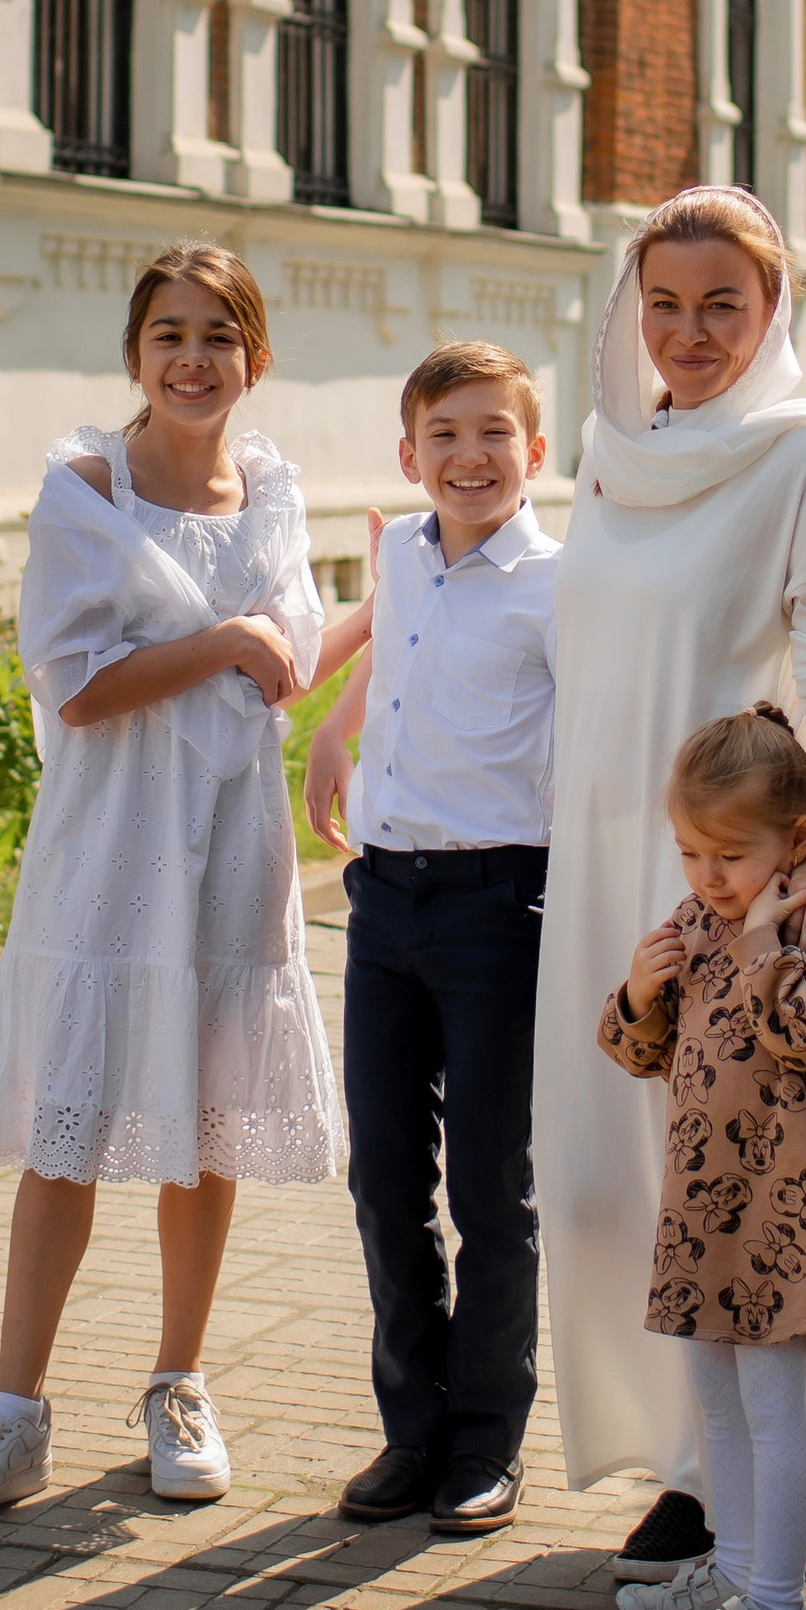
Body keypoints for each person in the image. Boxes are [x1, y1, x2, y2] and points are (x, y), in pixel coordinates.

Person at [0, 245, 365, 1534]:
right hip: (109, 843)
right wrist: (221, 643)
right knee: (70, 1125)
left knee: (205, 1122)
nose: (192, 358)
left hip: (229, 841)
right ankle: (13, 1414)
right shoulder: (85, 490)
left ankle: (178, 1385)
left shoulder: (273, 494)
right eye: (169, 333)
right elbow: (78, 686)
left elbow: (289, 668)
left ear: (254, 360)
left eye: (218, 335)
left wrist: (368, 618)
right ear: (135, 354)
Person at [535, 186, 806, 1567]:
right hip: (592, 855)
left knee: (717, 1185)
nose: (689, 332)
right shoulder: (609, 449)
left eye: (721, 306)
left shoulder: (804, 454)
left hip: (720, 876)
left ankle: (715, 1484)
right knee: (593, 1180)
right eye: (665, 304)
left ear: (773, 311)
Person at [300, 342, 557, 1538]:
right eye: (444, 436)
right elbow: (396, 640)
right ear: (409, 456)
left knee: (491, 1186)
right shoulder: (402, 551)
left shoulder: (558, 586)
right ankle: (411, 1428)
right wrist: (333, 728)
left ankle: (486, 1439)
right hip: (383, 903)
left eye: (494, 432)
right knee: (385, 1175)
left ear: (533, 451)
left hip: (500, 905)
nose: (470, 456)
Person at [598, 709, 806, 1610]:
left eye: (729, 854)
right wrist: (638, 994)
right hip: (697, 1204)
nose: (708, 876)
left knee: (770, 1409)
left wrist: (763, 944)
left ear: (795, 840)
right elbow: (640, 1052)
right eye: (690, 852)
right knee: (715, 1404)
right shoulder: (695, 923)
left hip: (776, 1214)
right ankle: (736, 1566)